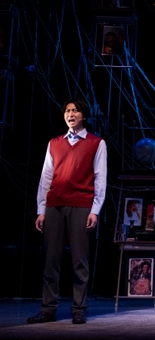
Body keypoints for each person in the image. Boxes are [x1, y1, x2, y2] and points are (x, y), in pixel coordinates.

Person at [27, 98, 107, 325]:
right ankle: (48, 309)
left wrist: (95, 210)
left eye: (75, 111)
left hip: (81, 205)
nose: (70, 114)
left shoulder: (96, 143)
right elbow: (46, 178)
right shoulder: (54, 143)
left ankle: (79, 308)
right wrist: (41, 210)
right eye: (67, 111)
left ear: (84, 116)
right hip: (54, 205)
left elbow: (100, 178)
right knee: (51, 260)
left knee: (79, 260)